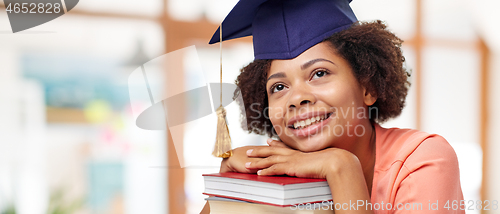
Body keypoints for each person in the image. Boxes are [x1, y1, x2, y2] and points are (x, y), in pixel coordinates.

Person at [201, 0, 464, 213]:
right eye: (279, 87)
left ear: (368, 87)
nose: (297, 98)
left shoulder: (423, 158)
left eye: (319, 73)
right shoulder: (276, 177)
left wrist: (342, 169)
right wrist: (234, 191)